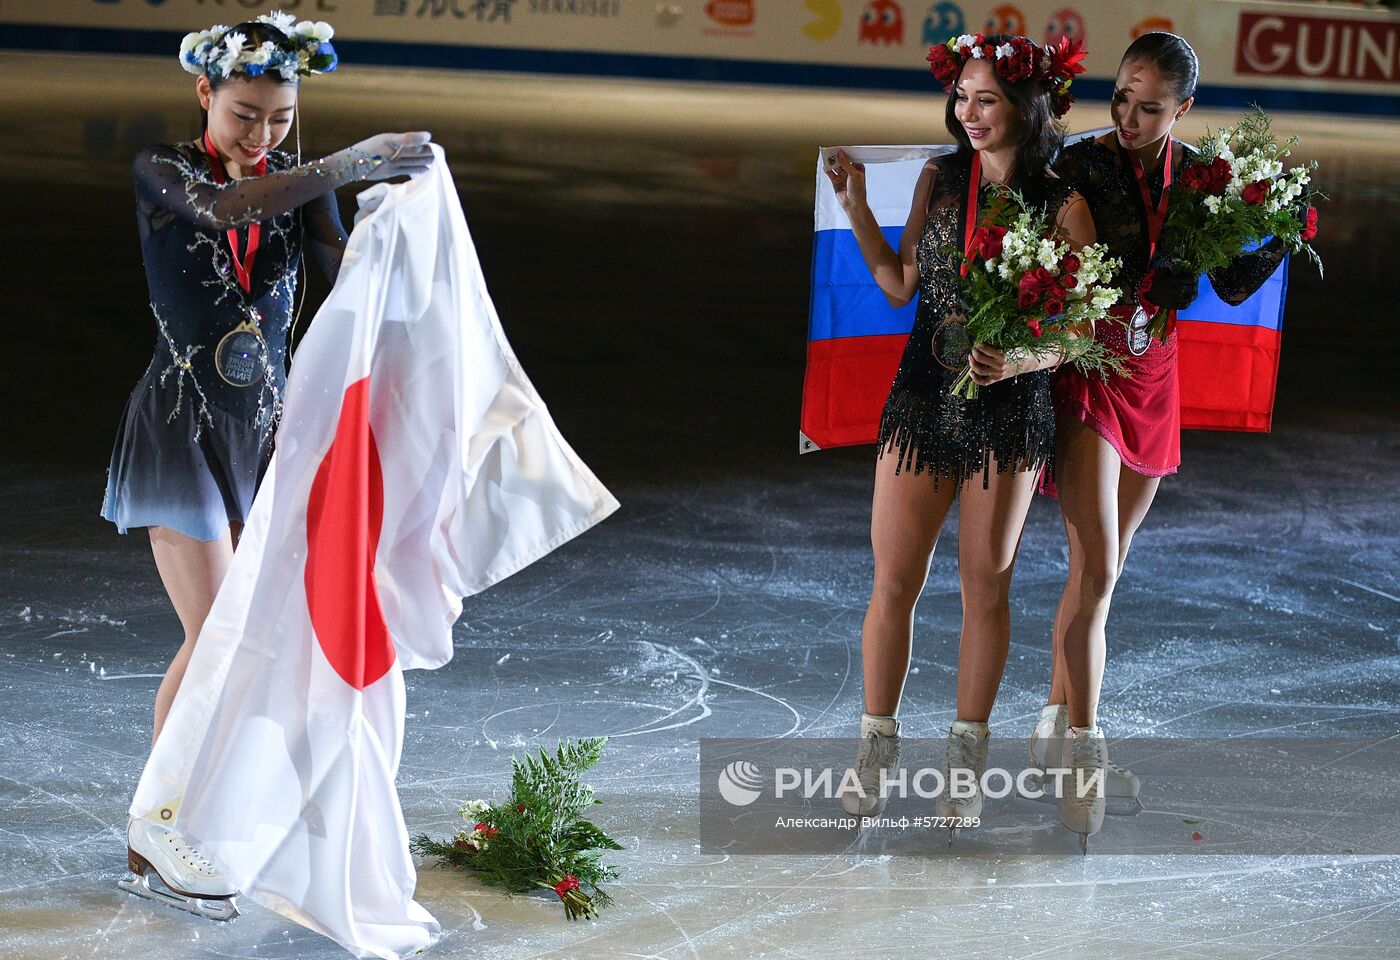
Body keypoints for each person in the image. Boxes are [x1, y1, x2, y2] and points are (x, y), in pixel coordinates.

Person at [103, 11, 434, 918]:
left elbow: (344, 275)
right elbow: (225, 210)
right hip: (179, 432)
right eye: (245, 115)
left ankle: (190, 820)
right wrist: (342, 163)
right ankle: (156, 822)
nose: (262, 137)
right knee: (216, 639)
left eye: (281, 119)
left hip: (266, 440)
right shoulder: (165, 171)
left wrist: (397, 220)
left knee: (246, 642)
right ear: (205, 93)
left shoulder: (297, 182)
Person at [825, 33, 1093, 840]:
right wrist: (857, 210)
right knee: (893, 583)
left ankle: (966, 759)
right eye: (962, 98)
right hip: (921, 397)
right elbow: (901, 284)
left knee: (986, 589)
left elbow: (1083, 333)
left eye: (987, 99)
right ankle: (875, 747)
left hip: (1009, 415)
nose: (968, 114)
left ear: (1027, 107)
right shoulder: (942, 180)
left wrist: (1021, 357)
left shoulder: (1065, 204)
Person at [1035, 32, 1287, 844]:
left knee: (1098, 574)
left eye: (1151, 107)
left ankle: (1050, 716)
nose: (1130, 116)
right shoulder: (1075, 166)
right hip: (1084, 368)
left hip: (1155, 375)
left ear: (1183, 108)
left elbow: (1227, 281)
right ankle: (1083, 750)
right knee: (1100, 566)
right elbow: (1034, 265)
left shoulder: (1203, 180)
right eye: (1121, 99)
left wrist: (1283, 235)